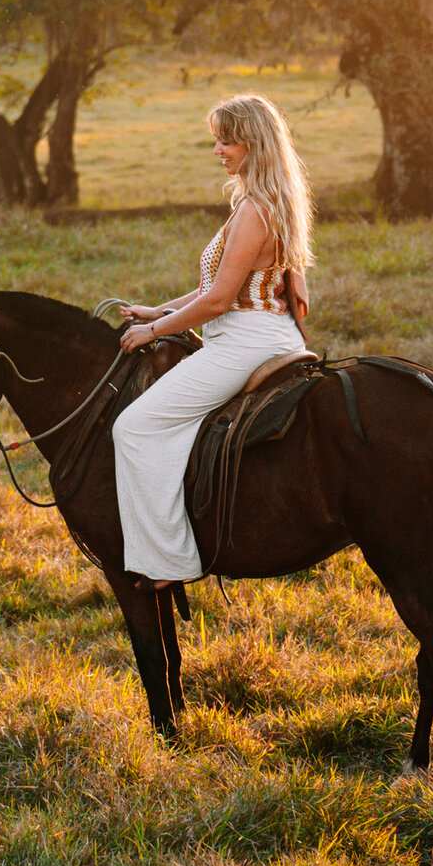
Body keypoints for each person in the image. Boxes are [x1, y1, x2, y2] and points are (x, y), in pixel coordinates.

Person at [111, 92, 313, 587]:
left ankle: (169, 560)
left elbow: (219, 301)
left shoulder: (254, 212)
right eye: (217, 141)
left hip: (244, 342)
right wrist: (161, 309)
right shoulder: (267, 204)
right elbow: (217, 288)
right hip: (262, 333)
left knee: (133, 427)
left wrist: (151, 331)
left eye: (227, 141)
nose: (218, 151)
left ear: (254, 144)